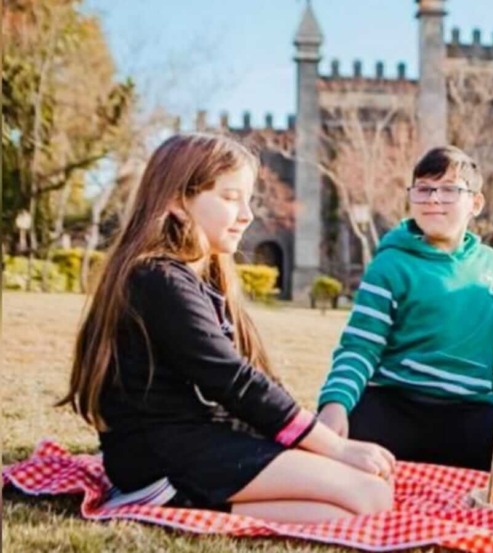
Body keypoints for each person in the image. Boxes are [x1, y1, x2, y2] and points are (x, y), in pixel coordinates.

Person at [59, 133, 395, 523]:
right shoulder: (157, 279)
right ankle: (182, 503)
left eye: (248, 199)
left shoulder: (198, 278)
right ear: (177, 201)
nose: (247, 215)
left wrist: (310, 440)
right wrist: (335, 449)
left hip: (202, 442)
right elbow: (233, 379)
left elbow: (250, 382)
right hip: (162, 457)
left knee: (368, 492)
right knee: (368, 495)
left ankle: (204, 504)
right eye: (230, 198)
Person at [316, 146, 493, 483]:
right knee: (335, 449)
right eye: (424, 189)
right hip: (396, 403)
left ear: (475, 203)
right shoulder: (390, 265)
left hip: (468, 410)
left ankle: (434, 470)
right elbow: (360, 347)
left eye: (448, 190)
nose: (433, 199)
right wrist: (335, 405)